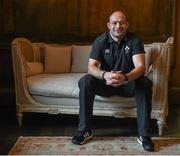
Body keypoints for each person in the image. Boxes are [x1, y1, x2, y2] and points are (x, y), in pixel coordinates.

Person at [71, 10, 154, 152]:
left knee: (145, 83)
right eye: (114, 23)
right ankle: (84, 130)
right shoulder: (100, 41)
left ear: (127, 24)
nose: (118, 26)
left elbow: (140, 67)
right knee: (85, 81)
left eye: (121, 22)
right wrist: (105, 75)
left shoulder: (135, 40)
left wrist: (125, 77)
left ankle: (144, 135)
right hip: (106, 84)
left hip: (128, 83)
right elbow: (91, 67)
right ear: (108, 25)